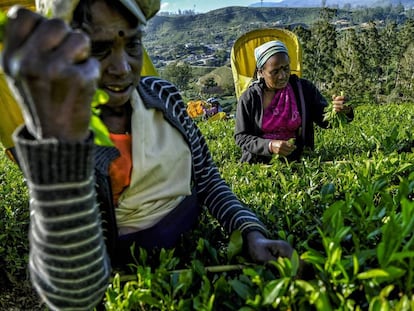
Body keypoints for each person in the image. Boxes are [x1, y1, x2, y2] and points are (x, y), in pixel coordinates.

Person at [1, 1, 293, 309]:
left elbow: (207, 179)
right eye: (99, 50)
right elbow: (75, 291)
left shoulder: (163, 96)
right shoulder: (61, 140)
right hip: (133, 283)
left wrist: (250, 233)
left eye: (132, 44)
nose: (123, 68)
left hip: (197, 254)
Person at [235, 40, 354, 164]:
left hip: (299, 161)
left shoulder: (304, 90)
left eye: (286, 68)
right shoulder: (250, 98)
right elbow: (242, 137)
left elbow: (325, 121)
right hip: (259, 165)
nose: (282, 76)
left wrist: (341, 112)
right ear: (261, 72)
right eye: (275, 71)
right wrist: (269, 146)